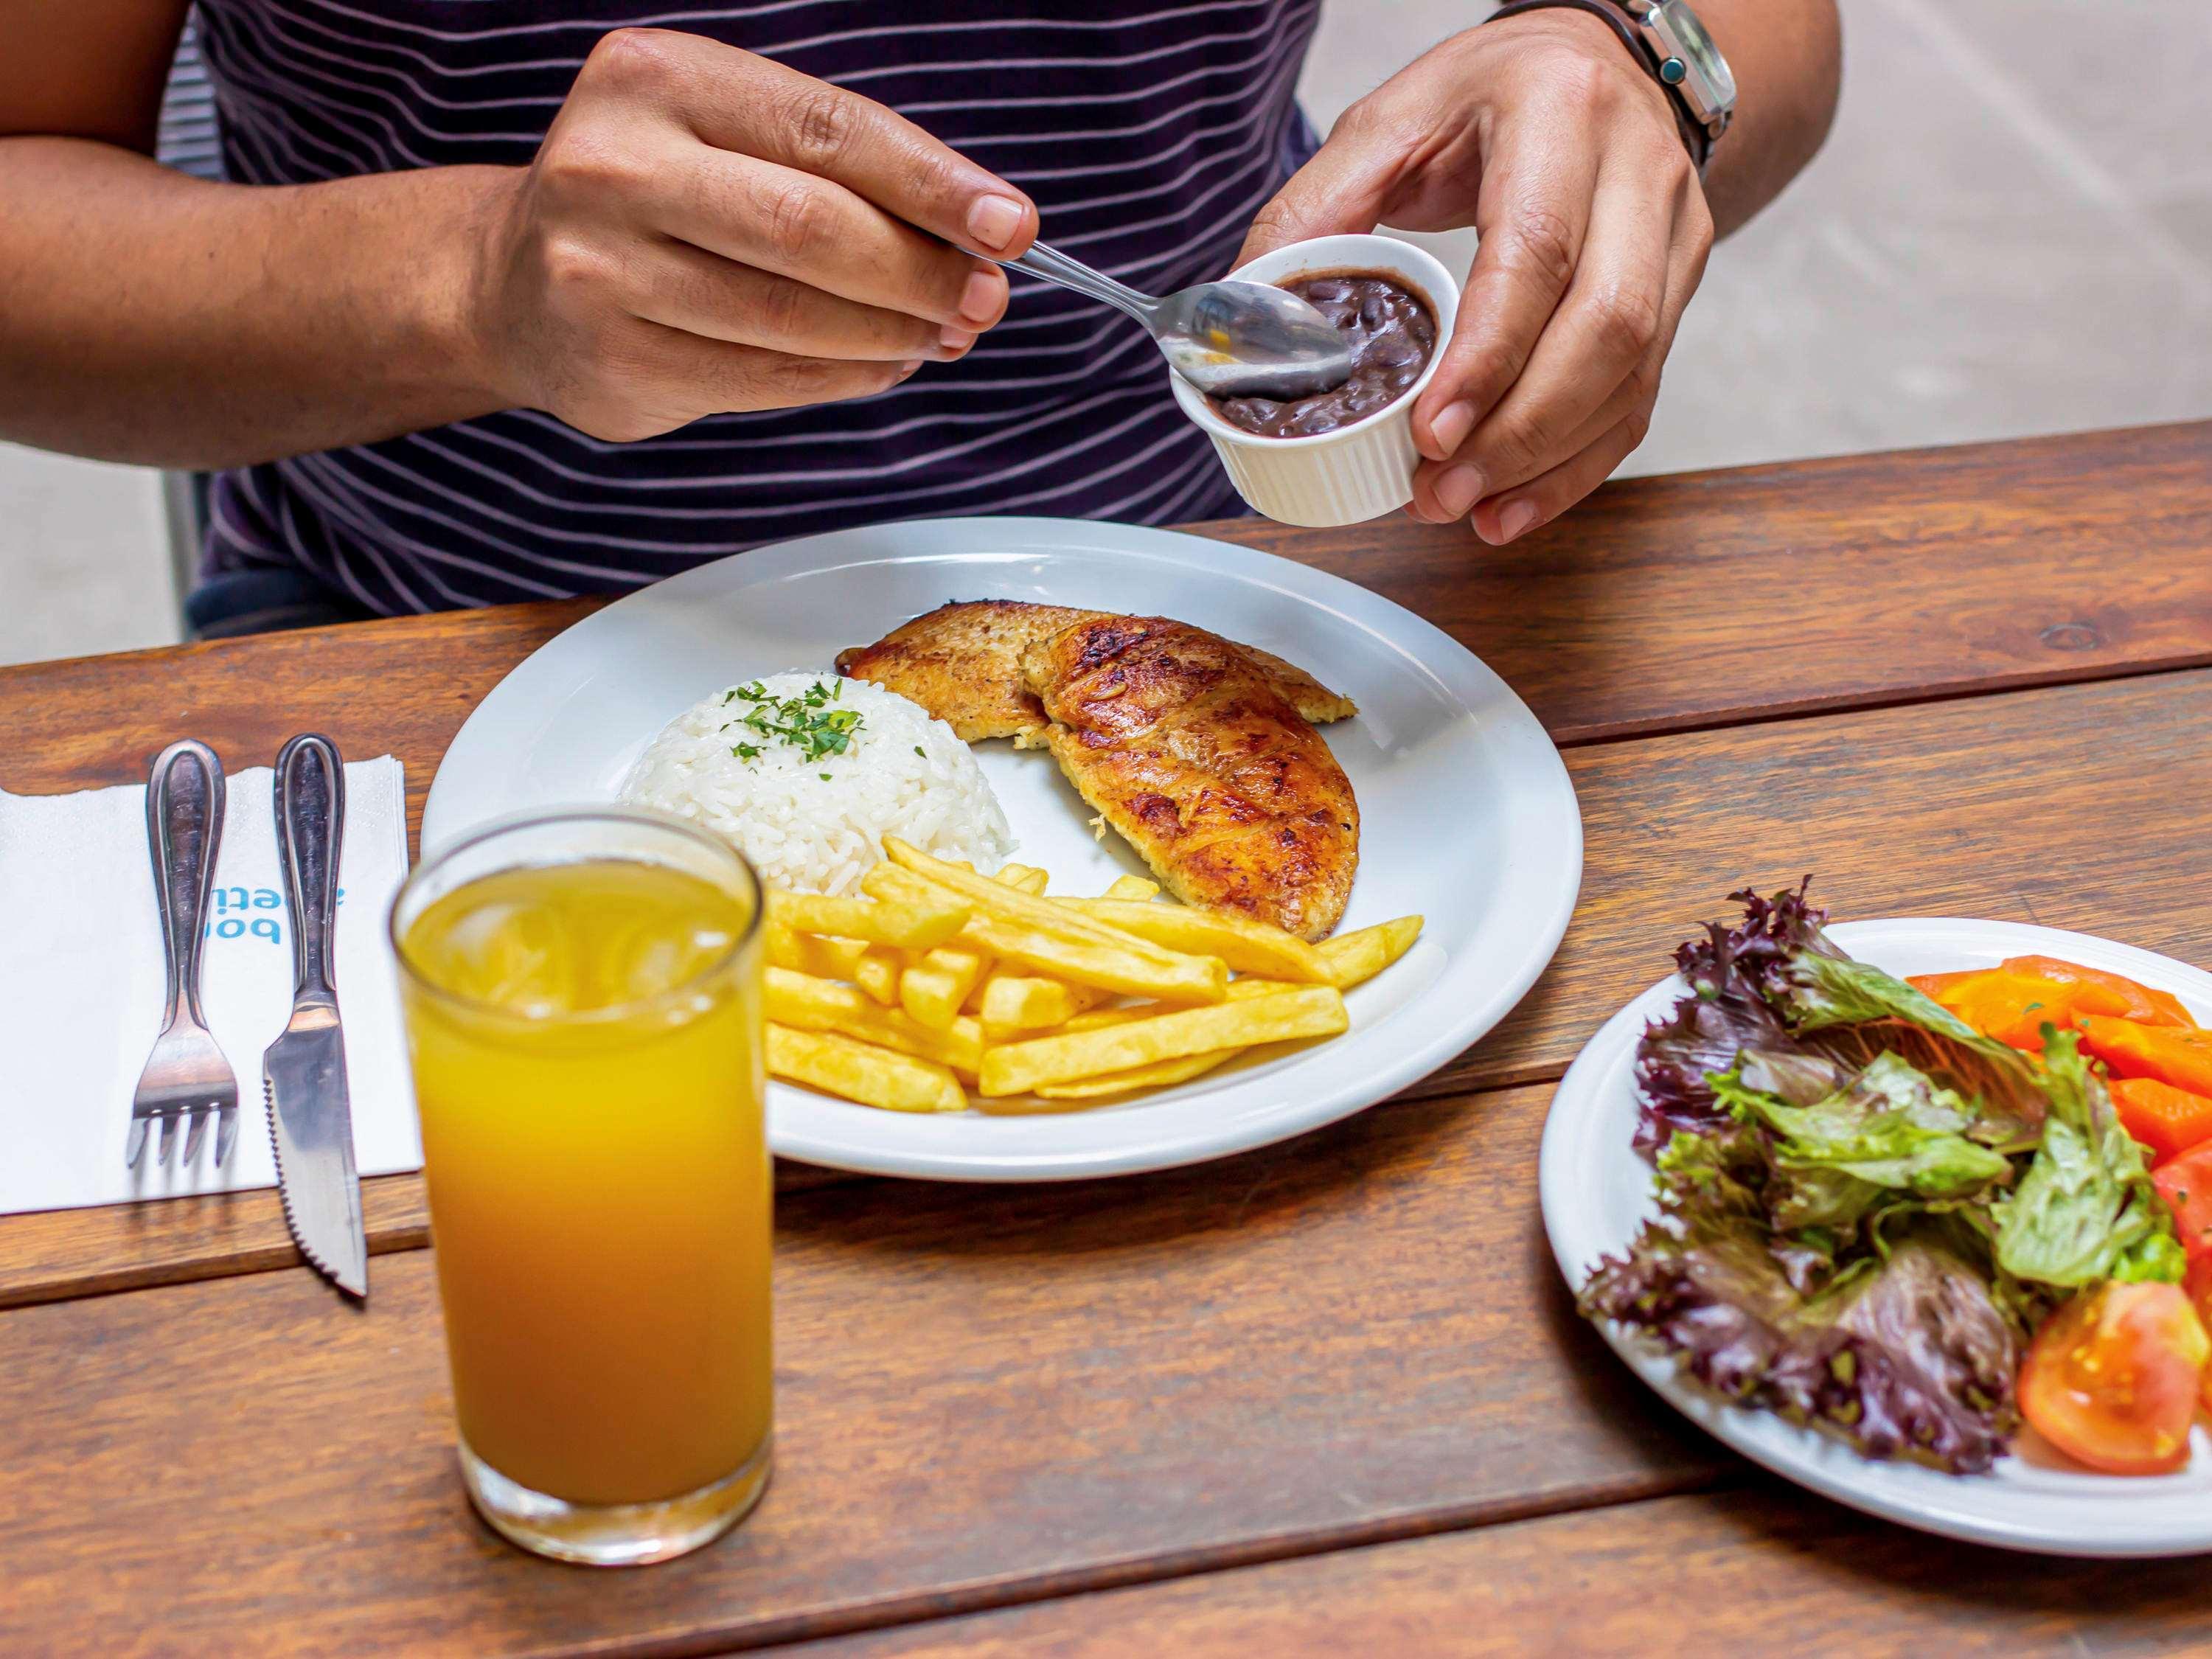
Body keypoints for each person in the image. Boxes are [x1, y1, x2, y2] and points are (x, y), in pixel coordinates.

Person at [0, 1, 1840, 630]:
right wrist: (467, 283)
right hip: (440, 630)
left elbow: (1767, 36)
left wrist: (1635, 59)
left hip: (1235, 590)